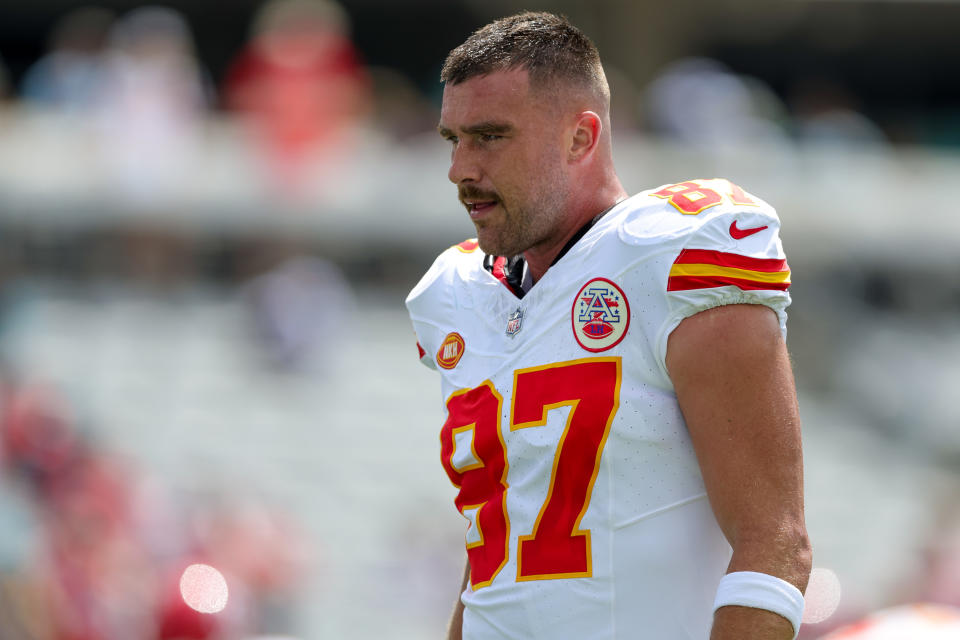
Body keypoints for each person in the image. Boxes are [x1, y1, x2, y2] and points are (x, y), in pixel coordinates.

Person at [405, 11, 811, 640]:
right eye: (452, 138)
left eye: (489, 136)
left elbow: (776, 544)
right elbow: (495, 564)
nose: (460, 167)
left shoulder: (675, 254)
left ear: (580, 138)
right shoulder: (458, 295)